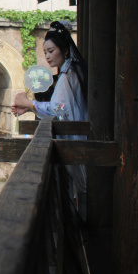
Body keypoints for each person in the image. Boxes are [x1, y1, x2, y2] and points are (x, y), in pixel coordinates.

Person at [12, 20, 88, 219]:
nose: (47, 56)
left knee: (82, 192)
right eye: (45, 52)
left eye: (51, 51)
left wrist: (29, 104)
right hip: (80, 141)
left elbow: (57, 109)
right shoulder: (70, 72)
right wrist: (28, 109)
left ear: (64, 50)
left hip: (78, 143)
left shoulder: (68, 75)